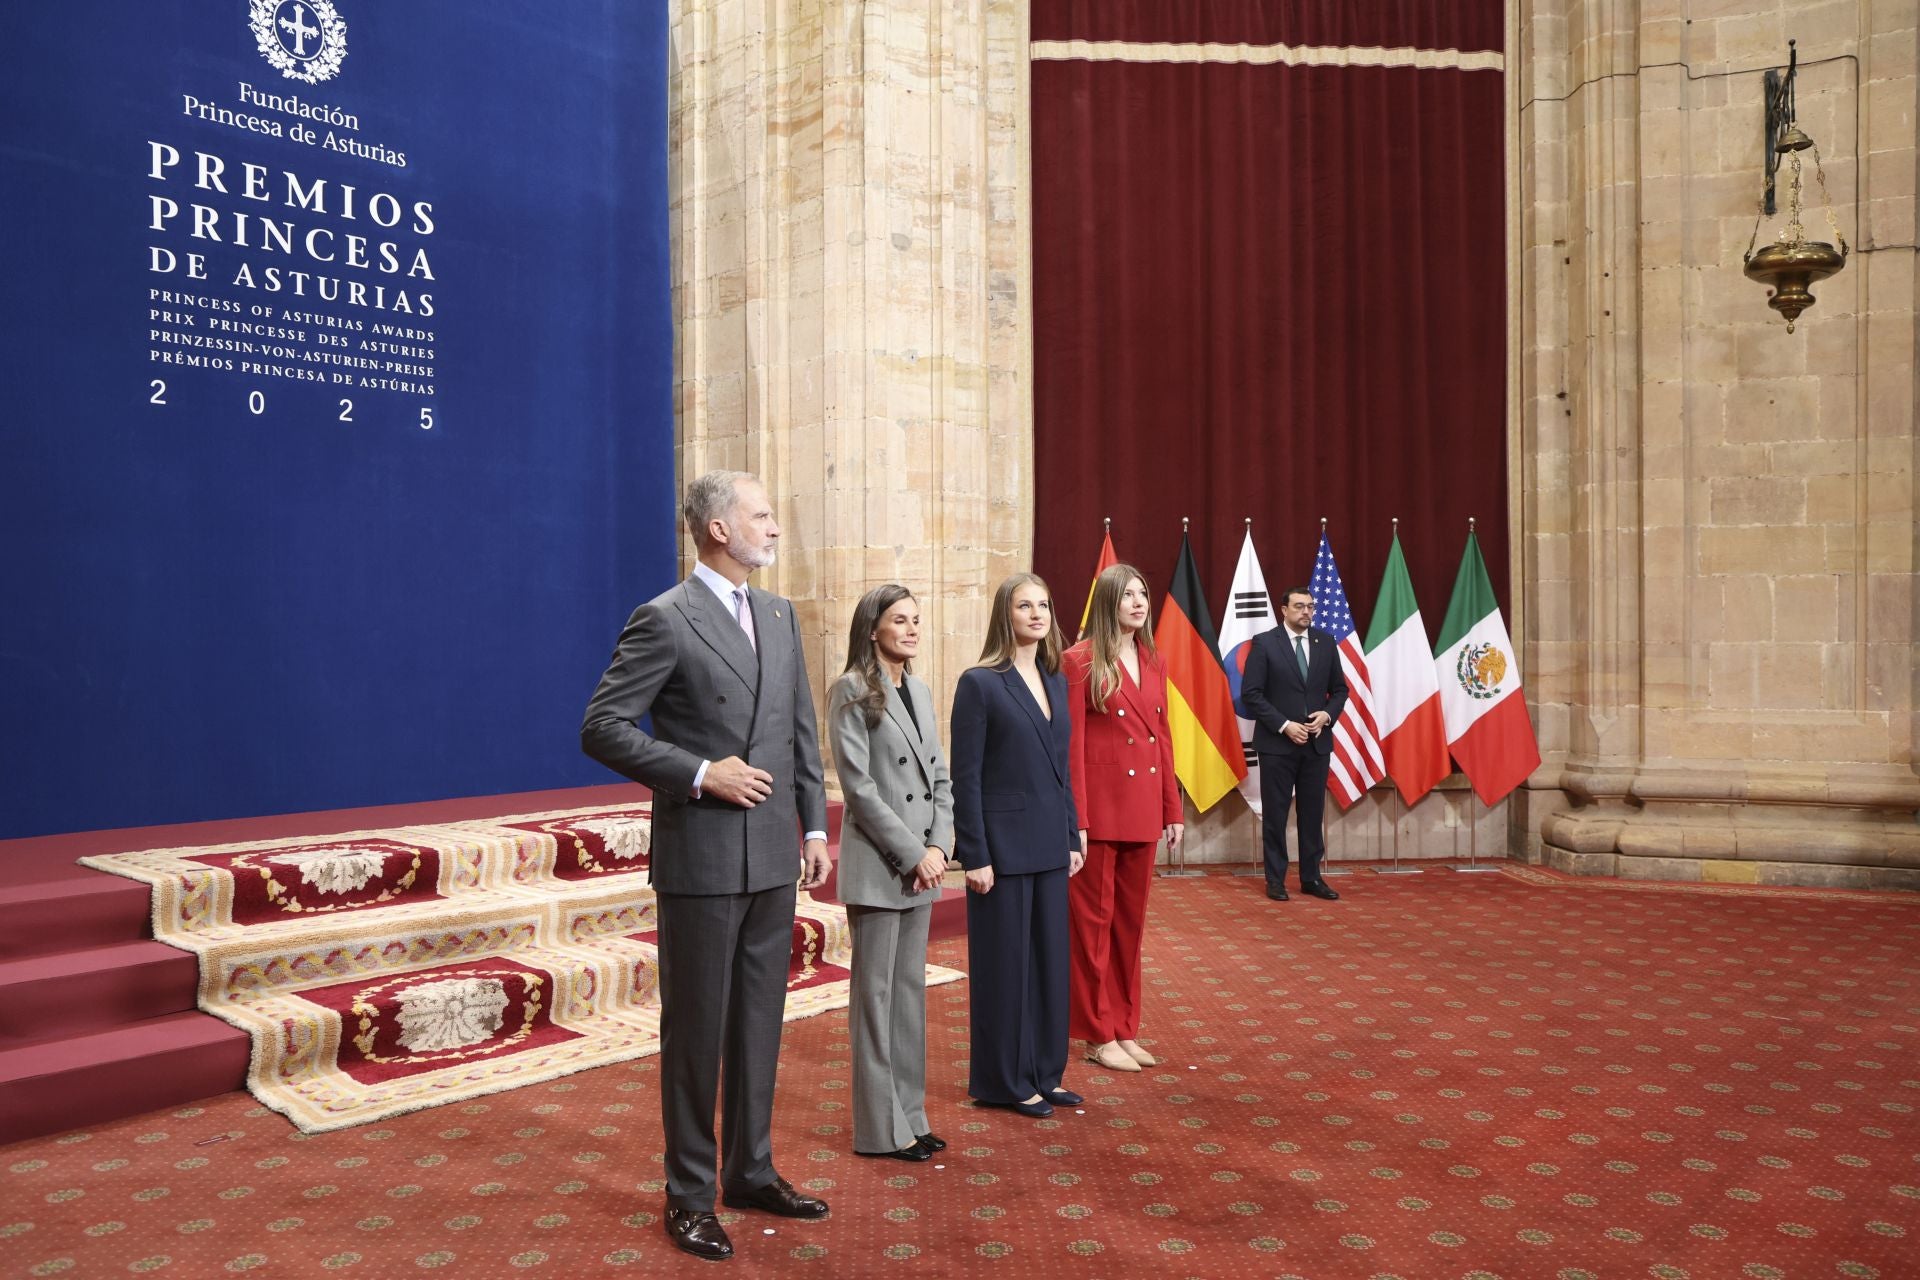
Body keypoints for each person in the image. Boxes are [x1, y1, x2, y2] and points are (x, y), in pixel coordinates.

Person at [579, 470, 831, 1262]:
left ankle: (749, 1169)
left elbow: (799, 734)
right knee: (696, 1033)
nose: (775, 528)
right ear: (718, 528)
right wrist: (698, 771)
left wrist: (816, 829)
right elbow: (602, 726)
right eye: (762, 515)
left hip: (771, 856)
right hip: (702, 851)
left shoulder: (781, 615)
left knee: (759, 1022)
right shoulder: (665, 618)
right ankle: (687, 1195)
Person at [825, 584, 953, 1163]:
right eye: (899, 620)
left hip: (924, 865)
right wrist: (913, 852)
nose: (911, 629)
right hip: (882, 864)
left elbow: (939, 779)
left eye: (917, 620)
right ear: (873, 627)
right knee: (874, 999)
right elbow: (860, 789)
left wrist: (941, 845)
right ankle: (880, 1129)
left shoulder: (921, 691)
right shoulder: (851, 691)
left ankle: (912, 1115)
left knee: (908, 996)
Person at [950, 573, 1085, 1119]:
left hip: (1051, 841)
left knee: (1051, 965)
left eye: (1044, 605)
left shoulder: (1055, 678)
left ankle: (1045, 1072)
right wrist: (975, 853)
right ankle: (1003, 1080)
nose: (1037, 614)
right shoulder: (980, 682)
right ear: (1005, 615)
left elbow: (1062, 768)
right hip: (1001, 850)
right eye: (1025, 606)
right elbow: (967, 776)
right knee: (1006, 967)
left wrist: (1072, 831)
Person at [1063, 564, 1183, 1074]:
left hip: (1141, 810)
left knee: (1129, 928)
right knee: (1092, 926)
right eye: (1128, 594)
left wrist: (1171, 807)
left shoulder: (1153, 658)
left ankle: (1124, 1027)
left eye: (1143, 593)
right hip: (1100, 811)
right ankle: (1095, 1032)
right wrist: (1078, 820)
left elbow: (1163, 735)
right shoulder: (1080, 661)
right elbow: (1070, 746)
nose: (1139, 602)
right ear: (1108, 601)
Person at [1239, 585, 1349, 902]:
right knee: (1275, 815)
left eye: (1311, 607)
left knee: (1312, 815)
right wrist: (1285, 726)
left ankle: (1312, 877)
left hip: (1316, 744)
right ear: (1284, 609)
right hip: (1278, 744)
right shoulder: (1265, 644)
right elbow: (1252, 694)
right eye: (1300, 606)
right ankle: (1276, 880)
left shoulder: (1325, 643)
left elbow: (1340, 690)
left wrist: (1326, 716)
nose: (1307, 612)